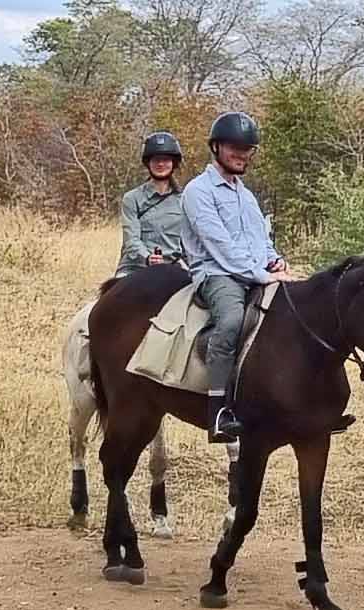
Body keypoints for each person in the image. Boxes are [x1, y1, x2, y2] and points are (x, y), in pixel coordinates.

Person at [175, 112, 297, 444]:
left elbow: (262, 239)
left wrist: (275, 261)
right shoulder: (197, 192)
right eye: (234, 147)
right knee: (230, 321)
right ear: (216, 147)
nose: (241, 154)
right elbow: (220, 247)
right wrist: (263, 275)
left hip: (256, 273)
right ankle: (218, 410)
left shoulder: (246, 195)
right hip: (218, 275)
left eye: (247, 149)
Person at [116, 131, 195, 280]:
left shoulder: (184, 199)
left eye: (165, 160)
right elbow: (131, 240)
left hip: (173, 267)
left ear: (174, 163)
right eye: (156, 160)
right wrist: (147, 258)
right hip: (135, 267)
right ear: (148, 163)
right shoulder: (132, 198)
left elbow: (189, 241)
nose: (160, 164)